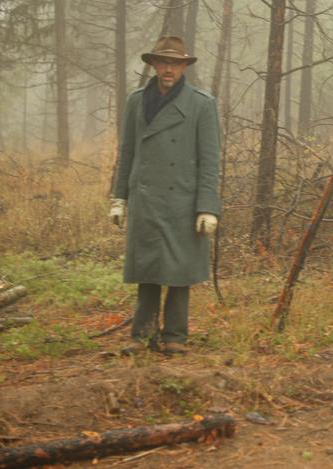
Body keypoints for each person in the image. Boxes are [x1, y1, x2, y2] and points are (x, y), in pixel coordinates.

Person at [109, 36, 221, 356]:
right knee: (147, 269)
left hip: (182, 201)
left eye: (174, 63)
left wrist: (207, 207)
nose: (168, 68)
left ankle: (175, 336)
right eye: (162, 62)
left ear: (184, 67)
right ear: (153, 64)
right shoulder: (135, 101)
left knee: (179, 270)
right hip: (145, 198)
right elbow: (127, 152)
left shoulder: (202, 104)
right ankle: (142, 335)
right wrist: (119, 198)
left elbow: (209, 160)